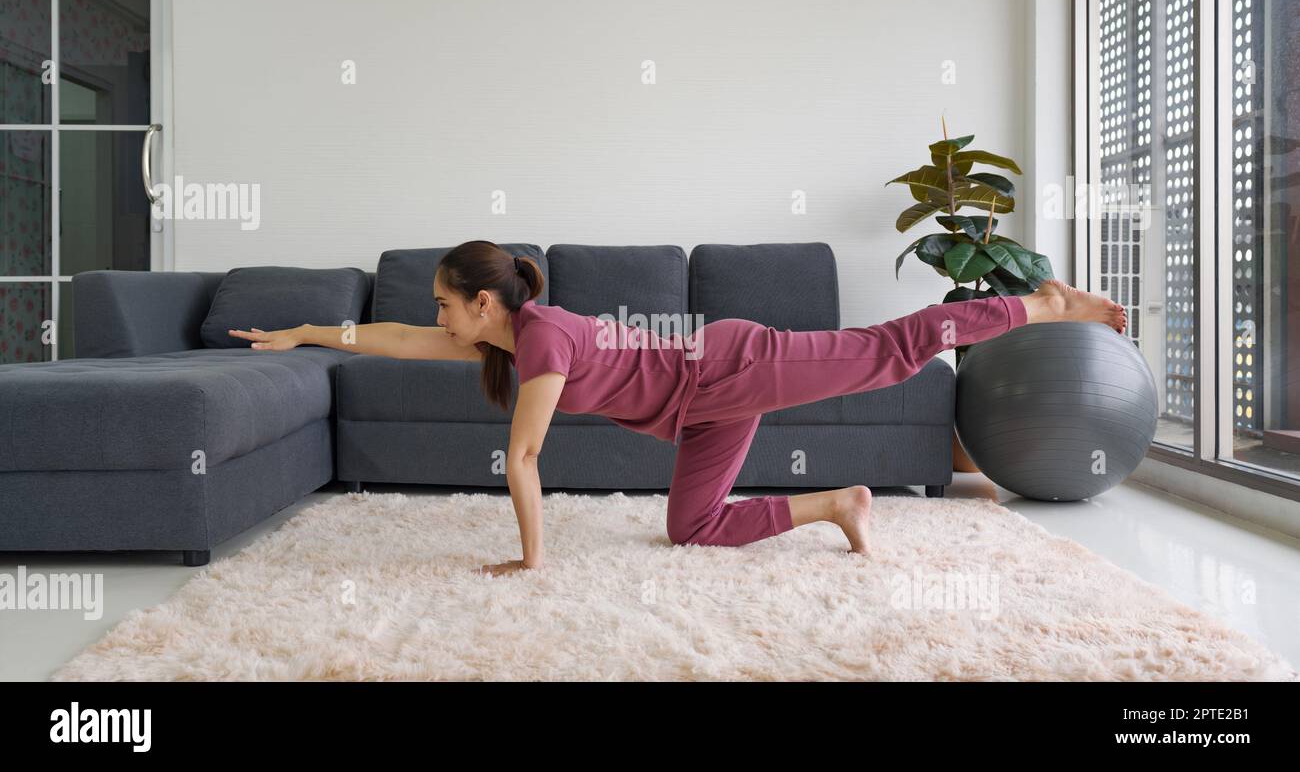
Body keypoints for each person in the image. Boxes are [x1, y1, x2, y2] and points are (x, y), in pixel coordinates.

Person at [229, 240, 1127, 577]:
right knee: (691, 529)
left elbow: (526, 458)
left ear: (484, 304)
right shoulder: (501, 336)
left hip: (734, 365)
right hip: (705, 406)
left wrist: (529, 560)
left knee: (889, 353)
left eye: (442, 301)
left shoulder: (540, 342)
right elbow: (395, 340)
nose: (435, 317)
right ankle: (837, 503)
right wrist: (306, 328)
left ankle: (1038, 303)